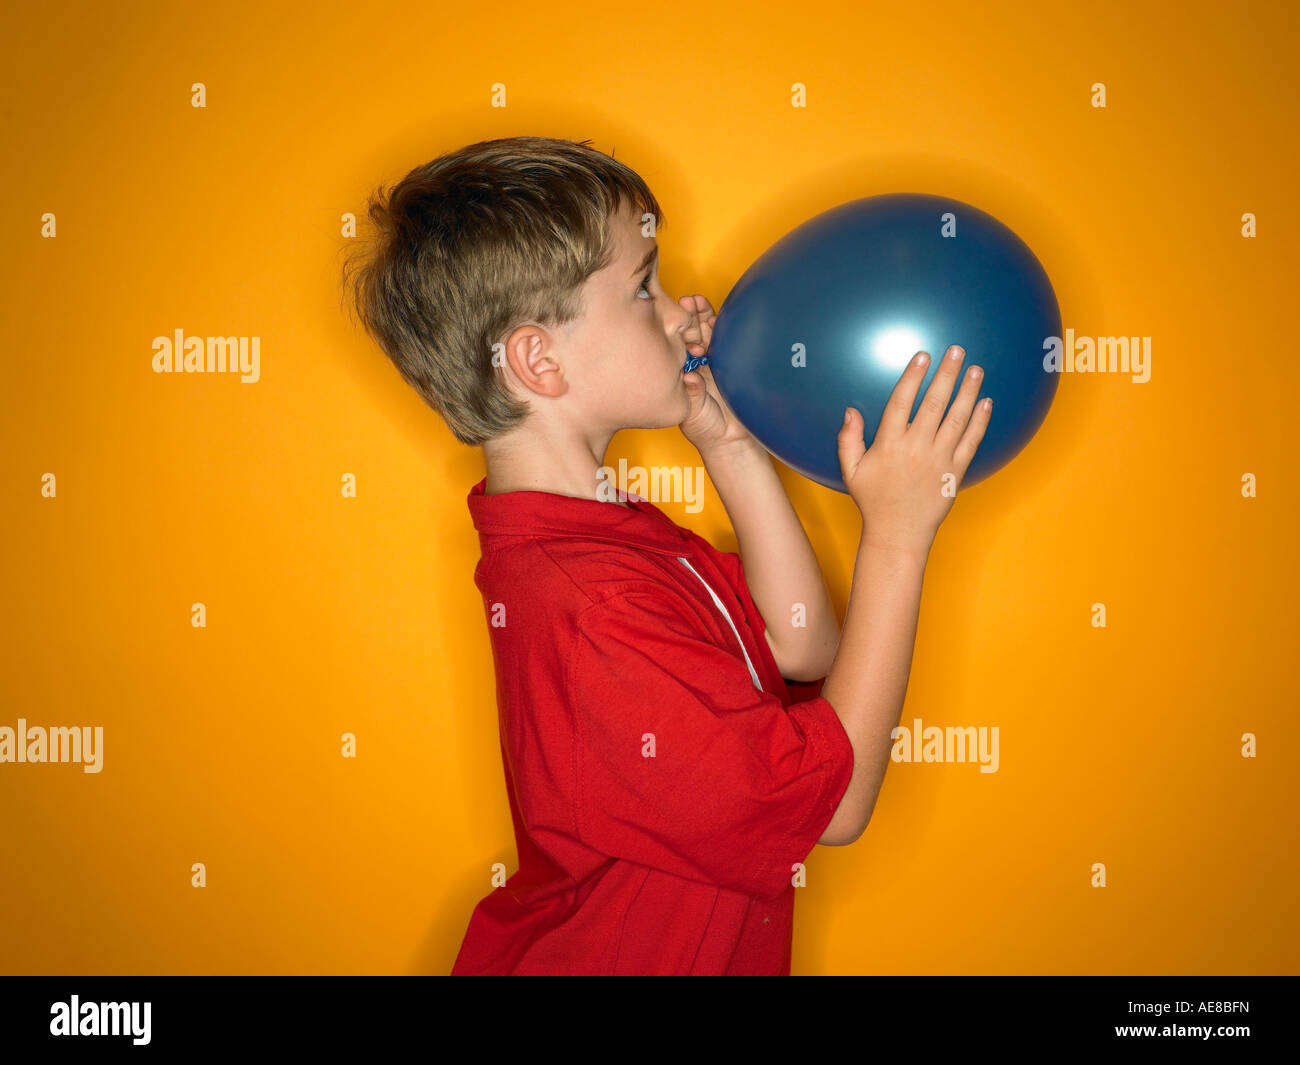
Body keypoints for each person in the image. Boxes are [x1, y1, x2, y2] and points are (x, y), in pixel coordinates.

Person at [341, 136, 992, 975]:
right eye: (642, 287)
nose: (684, 305)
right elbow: (834, 804)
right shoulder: (588, 603)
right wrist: (899, 537)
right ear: (539, 361)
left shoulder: (603, 535)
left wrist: (727, 443)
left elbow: (801, 644)